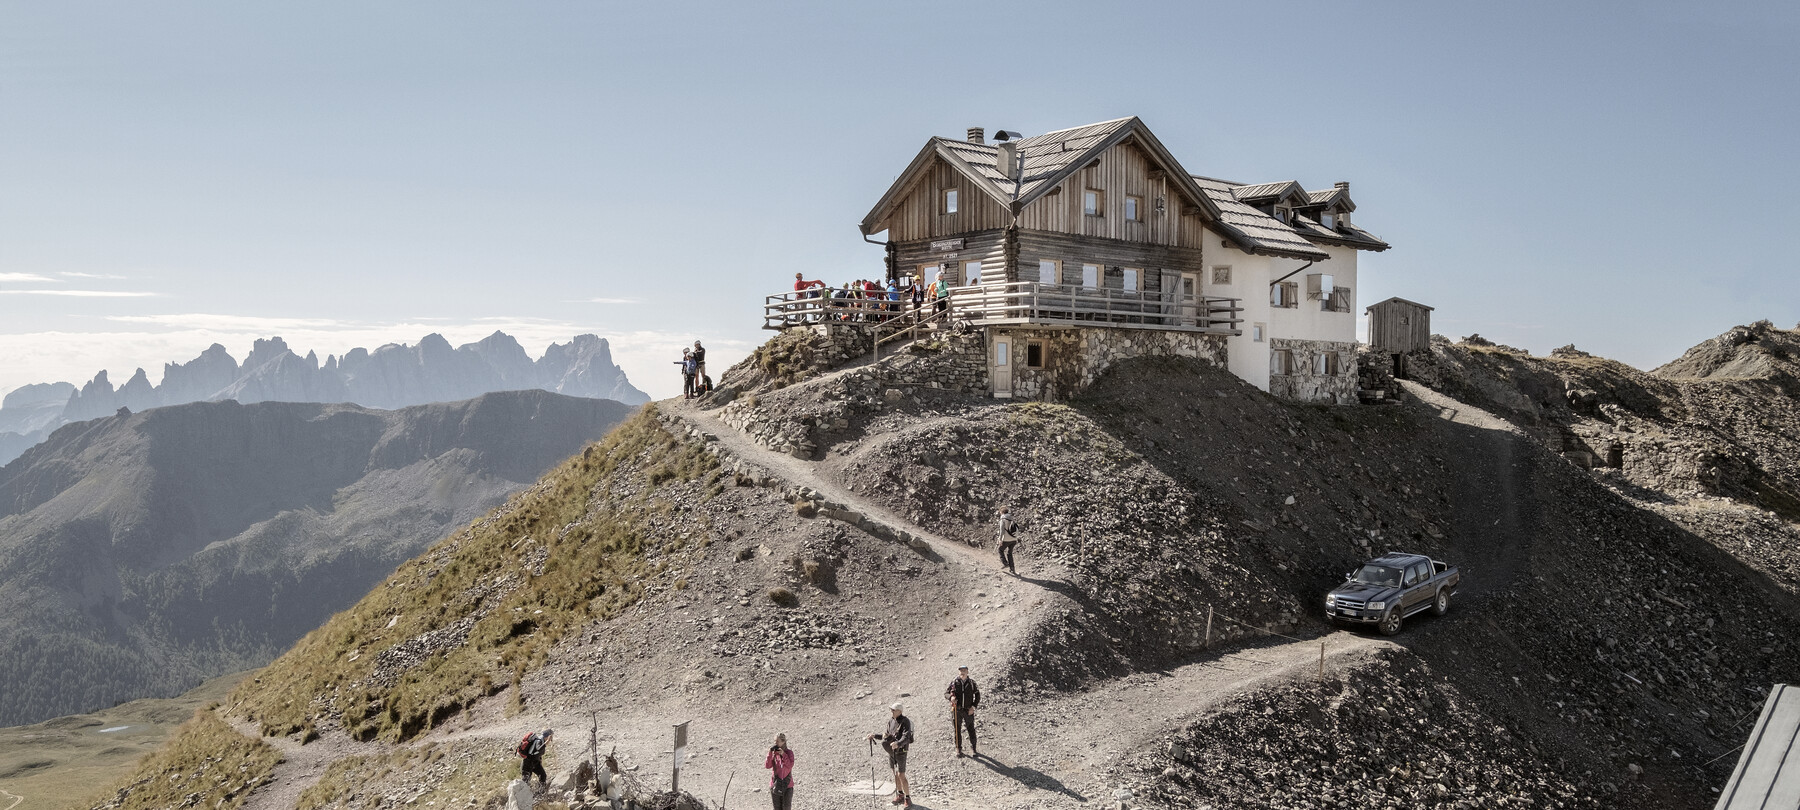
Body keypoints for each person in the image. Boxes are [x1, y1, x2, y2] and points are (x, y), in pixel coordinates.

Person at [868, 702, 914, 807]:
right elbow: (886, 736)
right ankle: (900, 794)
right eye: (891, 710)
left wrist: (898, 743)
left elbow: (906, 737)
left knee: (901, 774)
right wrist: (874, 735)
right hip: (891, 750)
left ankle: (908, 798)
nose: (891, 711)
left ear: (899, 711)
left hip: (901, 751)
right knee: (895, 773)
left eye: (893, 710)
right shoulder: (891, 721)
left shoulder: (905, 721)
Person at [945, 665, 981, 758]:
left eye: (964, 670)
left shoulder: (972, 683)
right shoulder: (954, 682)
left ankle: (973, 748)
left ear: (967, 672)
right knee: (957, 730)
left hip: (968, 710)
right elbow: (946, 693)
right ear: (959, 672)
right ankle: (958, 749)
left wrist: (973, 707)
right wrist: (951, 697)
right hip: (957, 710)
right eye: (961, 670)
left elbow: (977, 695)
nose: (962, 672)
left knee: (971, 729)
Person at [764, 732, 795, 810]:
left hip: (787, 785)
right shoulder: (774, 753)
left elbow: (790, 766)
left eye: (777, 741)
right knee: (777, 808)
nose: (775, 743)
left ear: (783, 742)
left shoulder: (789, 753)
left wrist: (783, 754)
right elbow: (767, 766)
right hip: (775, 784)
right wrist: (770, 754)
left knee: (786, 807)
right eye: (775, 741)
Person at [997, 508, 1020, 574]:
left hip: (1006, 539)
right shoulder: (1012, 518)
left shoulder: (1002, 519)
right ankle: (1012, 569)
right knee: (1009, 553)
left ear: (1002, 512)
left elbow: (1002, 530)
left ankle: (1005, 563)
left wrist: (1000, 539)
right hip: (1014, 539)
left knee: (1000, 550)